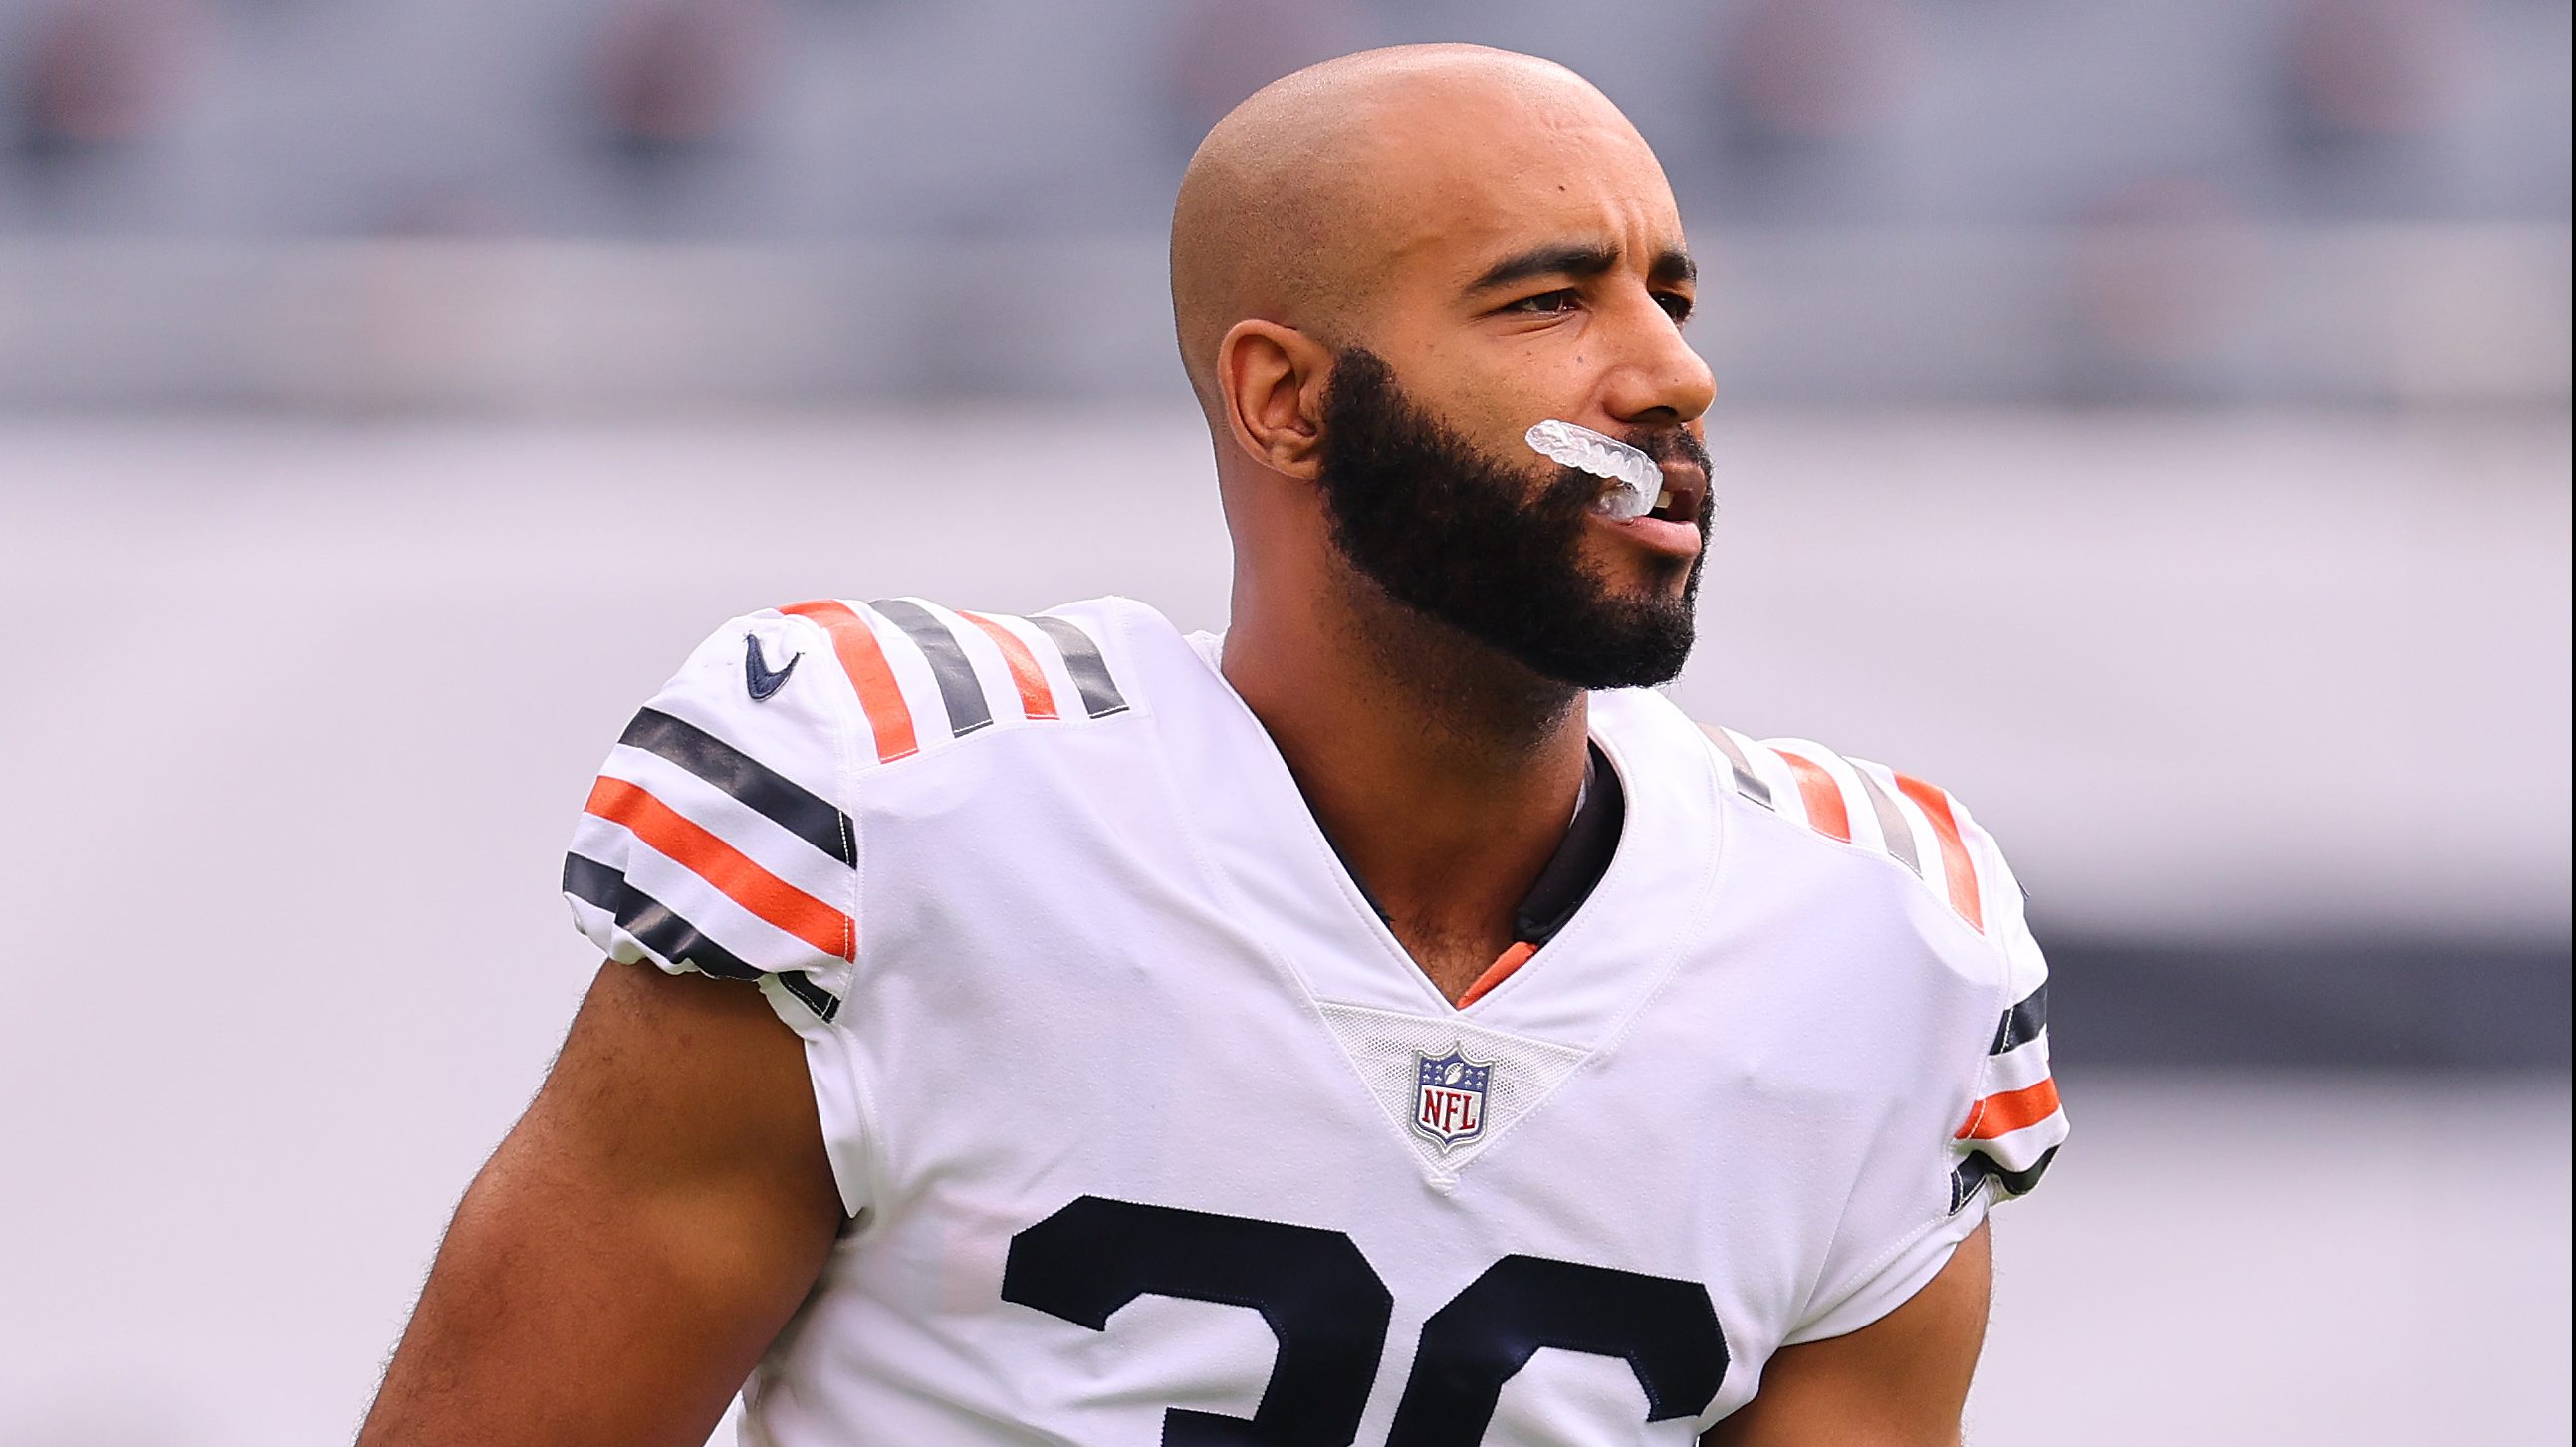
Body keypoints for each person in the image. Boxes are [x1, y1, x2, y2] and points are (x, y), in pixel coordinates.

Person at [358, 43, 2065, 1446]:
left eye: (1669, 293)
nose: (1671, 374)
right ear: (1285, 399)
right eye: (1548, 302)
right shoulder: (911, 811)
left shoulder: (1875, 940)